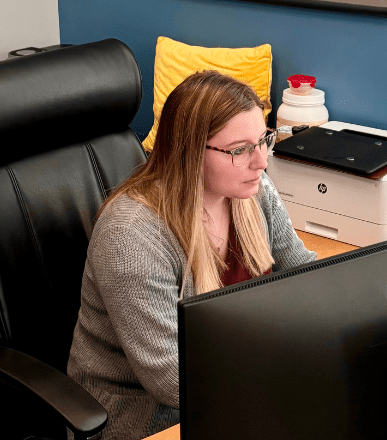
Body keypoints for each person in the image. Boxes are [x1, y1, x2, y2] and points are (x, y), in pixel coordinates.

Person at [67, 70, 317, 439]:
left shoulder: (252, 190)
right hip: (145, 418)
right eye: (239, 150)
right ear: (188, 150)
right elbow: (173, 378)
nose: (261, 161)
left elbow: (306, 278)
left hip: (235, 389)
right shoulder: (132, 234)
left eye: (263, 140)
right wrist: (284, 371)